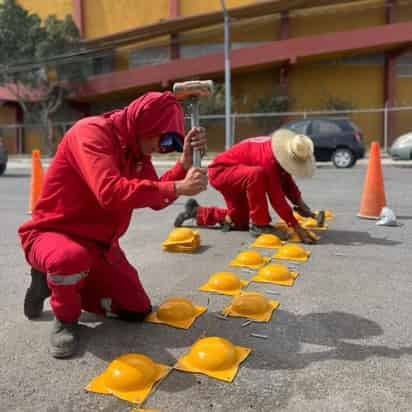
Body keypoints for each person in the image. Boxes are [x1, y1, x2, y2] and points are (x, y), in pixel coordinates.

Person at [18, 91, 208, 358]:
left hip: (99, 246)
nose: (162, 146)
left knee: (136, 309)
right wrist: (177, 185)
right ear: (144, 125)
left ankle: (55, 284)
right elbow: (110, 192)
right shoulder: (92, 134)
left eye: (170, 141)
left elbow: (155, 199)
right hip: (53, 234)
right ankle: (65, 317)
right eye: (161, 137)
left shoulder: (135, 151)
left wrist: (183, 165)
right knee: (69, 259)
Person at [174, 129, 319, 242]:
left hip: (238, 173)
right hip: (221, 171)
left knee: (240, 221)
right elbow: (277, 198)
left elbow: (287, 181)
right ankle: (260, 225)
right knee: (257, 174)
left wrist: (300, 204)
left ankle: (196, 212)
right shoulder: (269, 159)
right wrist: (296, 226)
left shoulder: (280, 153)